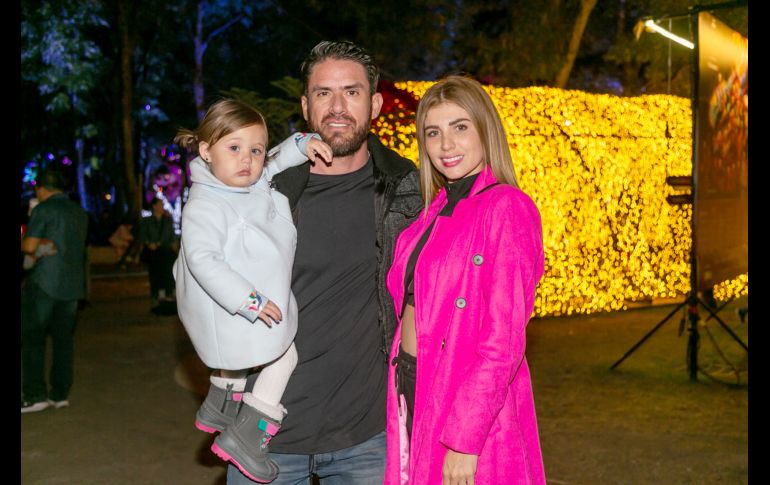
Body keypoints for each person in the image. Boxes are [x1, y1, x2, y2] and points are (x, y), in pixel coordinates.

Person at [226, 41, 422, 485]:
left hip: (367, 439)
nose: (337, 107)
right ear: (305, 106)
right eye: (323, 93)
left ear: (374, 104)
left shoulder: (407, 190)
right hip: (261, 436)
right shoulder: (262, 188)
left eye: (351, 92)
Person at [384, 75, 547, 484]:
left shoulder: (507, 207)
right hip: (411, 382)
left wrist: (464, 439)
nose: (446, 145)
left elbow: (503, 341)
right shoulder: (431, 212)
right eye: (433, 133)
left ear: (485, 129)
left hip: (462, 397)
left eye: (460, 127)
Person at [173, 98, 332, 483]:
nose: (247, 159)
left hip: (251, 303)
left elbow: (276, 160)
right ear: (207, 151)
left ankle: (221, 403)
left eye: (255, 149)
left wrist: (301, 144)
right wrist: (249, 301)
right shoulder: (206, 203)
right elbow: (203, 259)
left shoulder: (250, 180)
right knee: (283, 356)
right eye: (234, 148)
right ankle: (248, 435)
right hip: (237, 305)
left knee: (244, 359)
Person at [21, 168, 89, 413]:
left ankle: (35, 395)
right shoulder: (79, 213)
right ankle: (60, 394)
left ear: (42, 189)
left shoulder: (43, 209)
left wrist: (35, 236)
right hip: (72, 286)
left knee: (32, 340)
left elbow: (28, 246)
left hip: (44, 284)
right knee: (63, 341)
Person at [138, 197, 178, 309]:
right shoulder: (147, 221)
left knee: (169, 270)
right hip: (154, 252)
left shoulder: (168, 220)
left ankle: (170, 293)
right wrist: (148, 243)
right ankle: (158, 294)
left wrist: (174, 246)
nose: (162, 207)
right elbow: (142, 235)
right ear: (154, 206)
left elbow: (172, 236)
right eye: (160, 205)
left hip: (166, 251)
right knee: (156, 273)